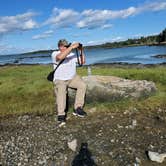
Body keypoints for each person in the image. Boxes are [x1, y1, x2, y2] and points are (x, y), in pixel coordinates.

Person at [51, 39, 87, 127]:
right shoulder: (55, 53)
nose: (67, 47)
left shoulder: (72, 54)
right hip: (60, 79)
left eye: (68, 46)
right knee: (62, 92)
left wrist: (81, 50)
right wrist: (71, 47)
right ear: (60, 47)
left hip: (72, 78)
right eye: (65, 46)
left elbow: (82, 62)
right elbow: (60, 57)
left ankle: (78, 108)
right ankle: (61, 115)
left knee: (82, 85)